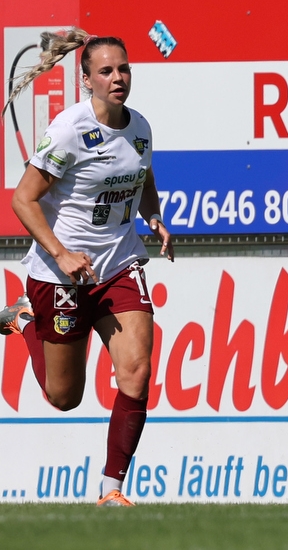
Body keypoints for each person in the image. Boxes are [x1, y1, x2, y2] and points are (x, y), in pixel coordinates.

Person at [0, 29, 174, 507]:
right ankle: (22, 318)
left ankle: (111, 489)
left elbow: (143, 176)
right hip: (62, 275)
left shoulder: (140, 126)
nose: (118, 78)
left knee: (136, 371)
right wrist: (60, 253)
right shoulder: (69, 130)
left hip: (119, 263)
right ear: (87, 81)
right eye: (106, 71)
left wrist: (153, 217)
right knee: (64, 396)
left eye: (123, 69)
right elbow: (22, 199)